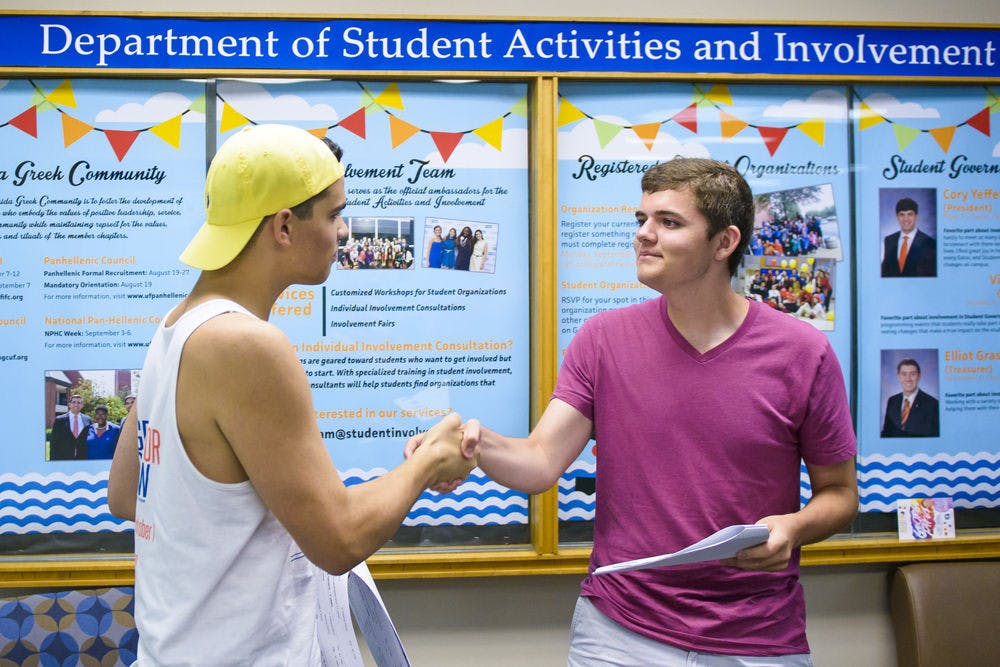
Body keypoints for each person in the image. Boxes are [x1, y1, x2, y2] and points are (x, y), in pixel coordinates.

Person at [411, 157, 858, 665]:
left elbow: (840, 495)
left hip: (755, 638)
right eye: (640, 220)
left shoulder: (801, 352)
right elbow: (539, 460)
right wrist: (473, 440)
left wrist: (794, 528)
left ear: (724, 242)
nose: (644, 235)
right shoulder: (603, 339)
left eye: (668, 222)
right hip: (620, 632)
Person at [107, 124, 477, 665]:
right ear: (283, 226)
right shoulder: (246, 345)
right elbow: (339, 540)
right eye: (333, 214)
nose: (344, 232)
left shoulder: (175, 328)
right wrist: (430, 461)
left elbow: (125, 496)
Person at [881, 358, 940, 438]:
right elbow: (886, 433)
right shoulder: (892, 401)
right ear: (898, 377)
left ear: (919, 376)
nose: (908, 379)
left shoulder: (932, 404)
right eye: (904, 374)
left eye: (912, 374)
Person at [881, 197, 936, 277]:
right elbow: (885, 273)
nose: (906, 219)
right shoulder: (889, 240)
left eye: (910, 214)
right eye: (902, 214)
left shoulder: (929, 243)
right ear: (897, 217)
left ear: (916, 216)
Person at [49, 393, 90, 460]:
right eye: (73, 402)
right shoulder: (59, 420)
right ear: (69, 404)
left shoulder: (87, 420)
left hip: (82, 458)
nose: (76, 404)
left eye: (79, 402)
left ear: (82, 405)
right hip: (63, 458)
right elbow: (54, 442)